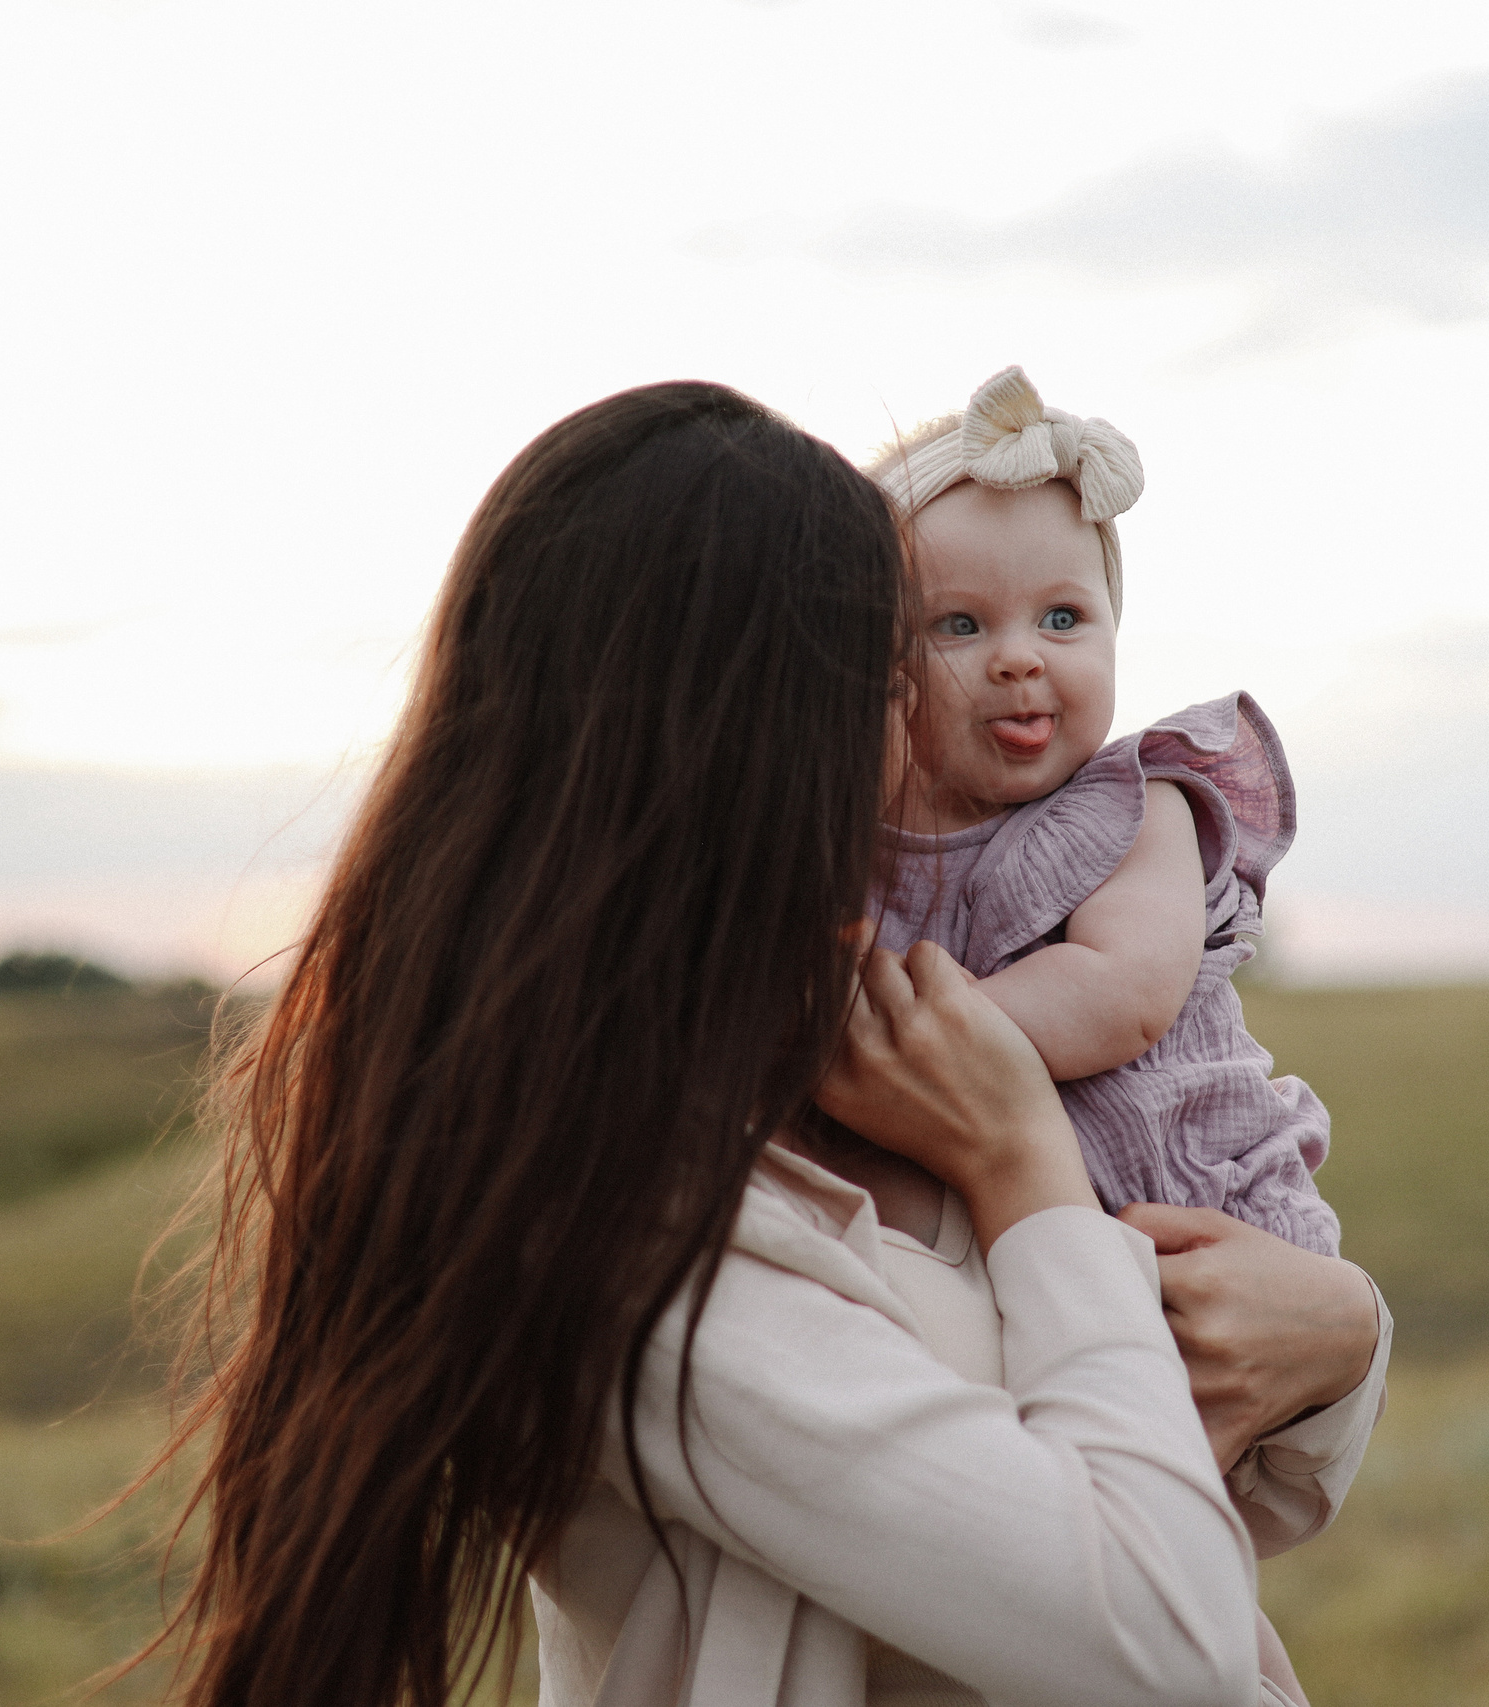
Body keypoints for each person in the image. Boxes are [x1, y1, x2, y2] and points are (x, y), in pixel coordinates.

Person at [139, 381, 1391, 1707]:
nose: (921, 714)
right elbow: (1166, 1637)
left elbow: (1197, 1458)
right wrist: (1022, 1156)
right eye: (898, 664)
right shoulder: (635, 1228)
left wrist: (1341, 1335)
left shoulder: (845, 1054)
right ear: (754, 741)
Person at [867, 366, 1339, 1258]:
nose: (1017, 658)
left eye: (1061, 616)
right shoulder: (870, 840)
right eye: (959, 626)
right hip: (1024, 1226)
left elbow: (1120, 993)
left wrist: (922, 1023)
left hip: (1200, 1200)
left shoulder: (1135, 811)